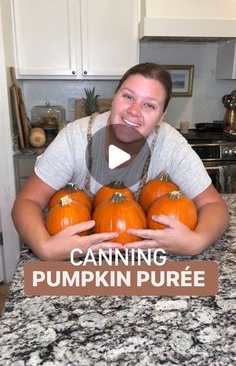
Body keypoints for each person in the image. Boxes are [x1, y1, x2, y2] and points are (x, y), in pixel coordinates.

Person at [12, 62, 229, 260]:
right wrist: (45, 247)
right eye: (128, 97)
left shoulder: (172, 145)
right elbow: (27, 202)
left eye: (149, 105)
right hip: (80, 260)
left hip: (147, 262)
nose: (134, 111)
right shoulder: (74, 137)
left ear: (162, 116)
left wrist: (197, 242)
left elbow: (214, 206)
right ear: (114, 97)